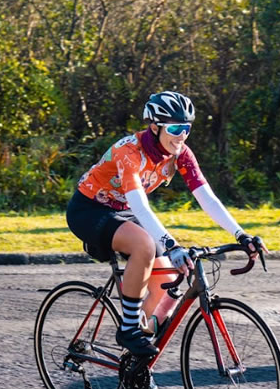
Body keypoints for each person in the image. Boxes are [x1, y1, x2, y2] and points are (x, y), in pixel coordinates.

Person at [67, 90, 267, 357]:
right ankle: (128, 330)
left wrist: (241, 235)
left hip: (122, 211)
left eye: (186, 128)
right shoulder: (130, 151)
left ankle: (138, 340)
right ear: (155, 126)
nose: (181, 135)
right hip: (88, 209)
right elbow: (140, 205)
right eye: (175, 128)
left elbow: (207, 198)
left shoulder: (180, 153)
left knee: (170, 279)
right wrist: (171, 245)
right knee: (144, 245)